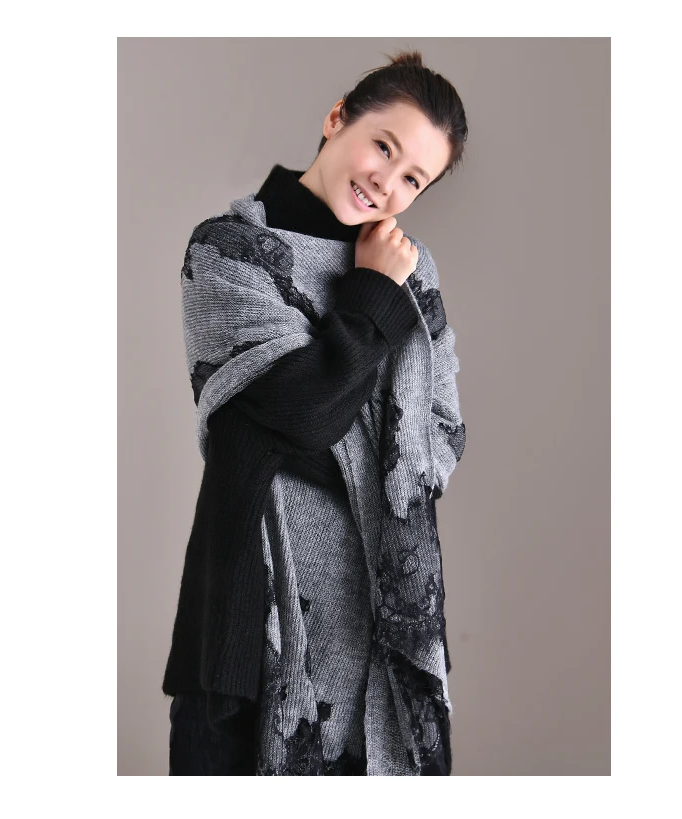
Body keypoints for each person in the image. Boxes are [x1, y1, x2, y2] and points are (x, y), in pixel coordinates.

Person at [163, 48, 468, 775]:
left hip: (382, 638)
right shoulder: (230, 251)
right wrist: (373, 298)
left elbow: (442, 439)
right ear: (337, 119)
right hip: (244, 639)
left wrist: (309, 417)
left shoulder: (413, 271)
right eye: (383, 146)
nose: (386, 182)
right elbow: (306, 416)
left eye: (413, 178)